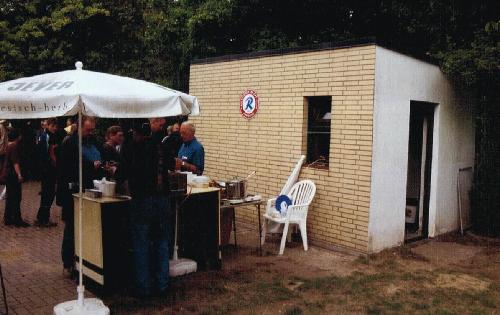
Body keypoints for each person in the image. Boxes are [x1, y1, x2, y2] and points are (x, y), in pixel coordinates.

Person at [121, 119, 171, 297]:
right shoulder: (161, 146)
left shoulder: (132, 147)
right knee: (162, 242)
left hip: (142, 200)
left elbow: (121, 173)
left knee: (141, 244)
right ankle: (162, 284)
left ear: (135, 133)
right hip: (163, 199)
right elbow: (171, 165)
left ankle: (143, 288)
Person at [57, 117, 102, 277]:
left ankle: (82, 261)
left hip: (88, 189)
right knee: (71, 227)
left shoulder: (91, 141)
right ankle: (68, 262)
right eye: (88, 130)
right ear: (80, 127)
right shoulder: (70, 142)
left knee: (84, 227)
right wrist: (91, 165)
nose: (91, 133)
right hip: (72, 192)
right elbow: (70, 166)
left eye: (92, 130)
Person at [35, 118, 59, 227]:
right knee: (48, 194)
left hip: (49, 170)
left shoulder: (48, 136)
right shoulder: (45, 137)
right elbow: (44, 154)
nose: (55, 128)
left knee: (48, 193)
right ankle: (43, 219)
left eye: (55, 126)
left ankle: (43, 217)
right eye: (53, 126)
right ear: (48, 125)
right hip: (47, 170)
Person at [3, 129, 29, 227]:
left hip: (7, 174)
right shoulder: (14, 146)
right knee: (16, 196)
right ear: (18, 137)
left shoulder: (8, 145)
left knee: (10, 196)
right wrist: (19, 174)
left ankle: (8, 217)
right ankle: (16, 218)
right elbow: (15, 162)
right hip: (12, 175)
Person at [0, 120, 9, 200]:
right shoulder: (1, 127)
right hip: (2, 150)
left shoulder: (3, 127)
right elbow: (2, 140)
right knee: (2, 164)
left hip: (3, 150)